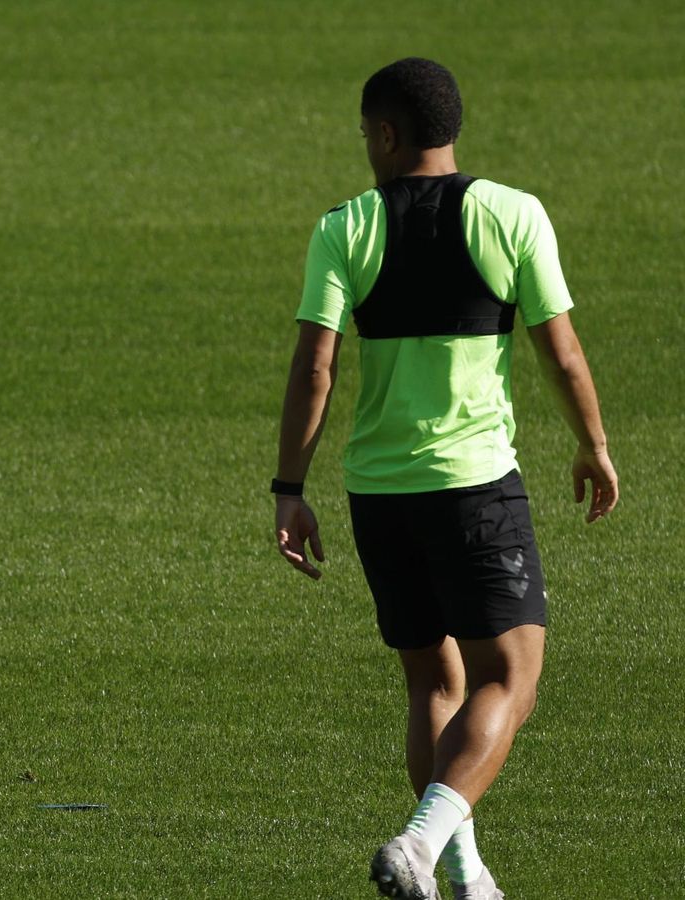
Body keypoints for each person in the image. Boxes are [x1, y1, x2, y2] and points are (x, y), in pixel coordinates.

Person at [272, 58, 617, 898]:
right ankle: (423, 846)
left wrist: (288, 488)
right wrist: (593, 444)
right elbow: (561, 352)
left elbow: (315, 367)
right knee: (510, 675)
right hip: (473, 487)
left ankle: (462, 875)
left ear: (387, 135)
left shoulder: (343, 226)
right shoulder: (512, 213)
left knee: (434, 680)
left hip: (378, 494)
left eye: (365, 135)